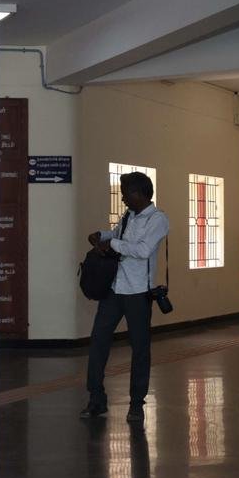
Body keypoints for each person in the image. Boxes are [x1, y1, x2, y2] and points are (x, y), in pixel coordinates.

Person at [80, 172, 169, 423]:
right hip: (114, 289)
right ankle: (96, 399)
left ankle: (136, 403)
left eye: (125, 194)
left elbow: (143, 250)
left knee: (140, 349)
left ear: (138, 193)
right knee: (98, 342)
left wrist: (113, 245)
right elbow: (117, 234)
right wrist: (101, 236)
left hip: (138, 292)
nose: (123, 198)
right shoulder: (129, 215)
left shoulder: (158, 219)